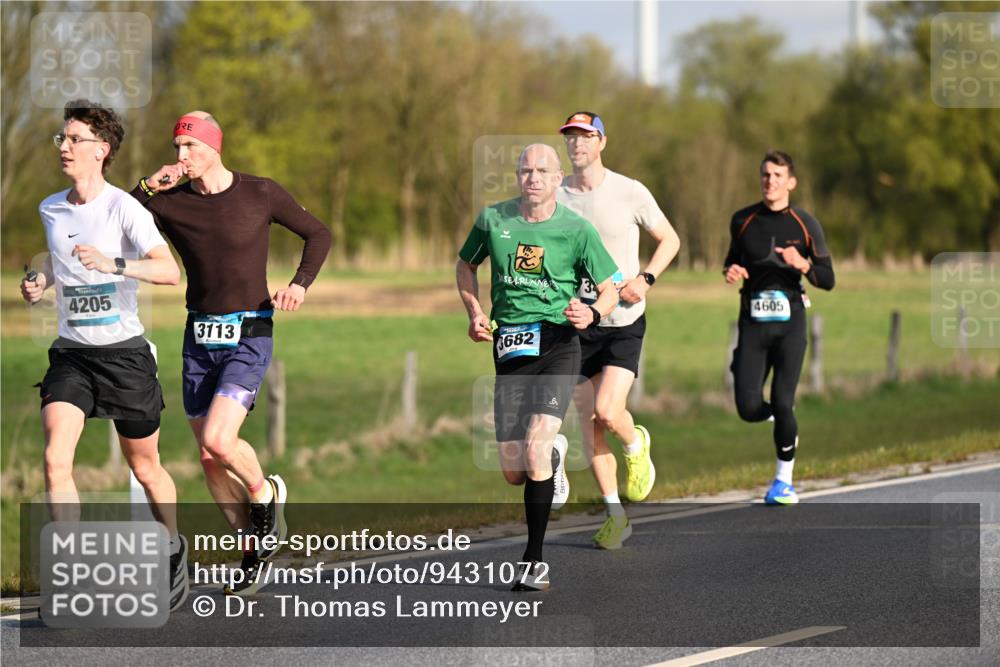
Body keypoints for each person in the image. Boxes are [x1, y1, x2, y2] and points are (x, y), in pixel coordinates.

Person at [131, 111, 331, 595]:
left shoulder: (260, 192)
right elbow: (115, 219)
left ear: (214, 147)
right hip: (198, 337)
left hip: (250, 331)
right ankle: (253, 551)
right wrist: (149, 185)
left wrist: (300, 285)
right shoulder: (170, 202)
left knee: (220, 441)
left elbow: (318, 233)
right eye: (177, 147)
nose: (181, 156)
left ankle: (266, 493)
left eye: (190, 146)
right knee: (208, 458)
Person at [21, 99, 188, 611]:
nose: (64, 147)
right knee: (55, 459)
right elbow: (58, 258)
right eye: (62, 138)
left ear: (102, 149)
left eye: (75, 139)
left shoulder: (125, 209)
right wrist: (41, 280)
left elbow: (169, 271)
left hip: (124, 357)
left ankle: (172, 547)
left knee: (146, 467)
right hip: (72, 356)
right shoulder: (51, 207)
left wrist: (114, 264)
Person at [457, 143, 620, 591]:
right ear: (517, 176)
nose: (532, 178)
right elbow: (465, 265)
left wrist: (593, 312)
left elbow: (609, 288)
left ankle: (534, 562)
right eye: (525, 170)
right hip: (510, 347)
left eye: (542, 171)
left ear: (556, 178)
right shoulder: (493, 219)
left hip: (558, 343)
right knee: (515, 471)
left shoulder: (576, 229)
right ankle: (553, 456)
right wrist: (475, 312)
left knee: (533, 448)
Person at [555, 112, 680, 549]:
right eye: (571, 137)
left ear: (602, 142)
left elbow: (670, 240)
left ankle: (635, 442)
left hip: (623, 319)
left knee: (608, 412)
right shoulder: (556, 196)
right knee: (587, 423)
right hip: (578, 323)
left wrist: (645, 279)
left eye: (586, 136)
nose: (577, 144)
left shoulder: (630, 191)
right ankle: (615, 515)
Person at [723, 151, 835, 505]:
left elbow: (828, 279)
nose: (769, 181)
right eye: (765, 174)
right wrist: (732, 271)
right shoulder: (743, 220)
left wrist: (803, 264)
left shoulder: (805, 224)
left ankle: (783, 482)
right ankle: (783, 418)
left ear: (791, 182)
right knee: (747, 407)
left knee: (784, 401)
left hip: (791, 324)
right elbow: (732, 260)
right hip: (753, 322)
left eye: (777, 175)